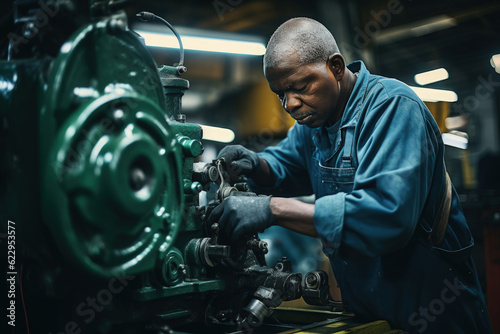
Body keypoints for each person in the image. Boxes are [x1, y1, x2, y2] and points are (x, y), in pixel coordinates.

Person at [207, 17, 492, 333]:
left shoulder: (392, 107)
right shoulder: (315, 123)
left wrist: (272, 209)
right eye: (280, 93)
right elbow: (285, 165)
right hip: (368, 309)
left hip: (432, 307)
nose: (290, 104)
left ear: (337, 67)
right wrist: (253, 163)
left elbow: (387, 216)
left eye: (300, 87)